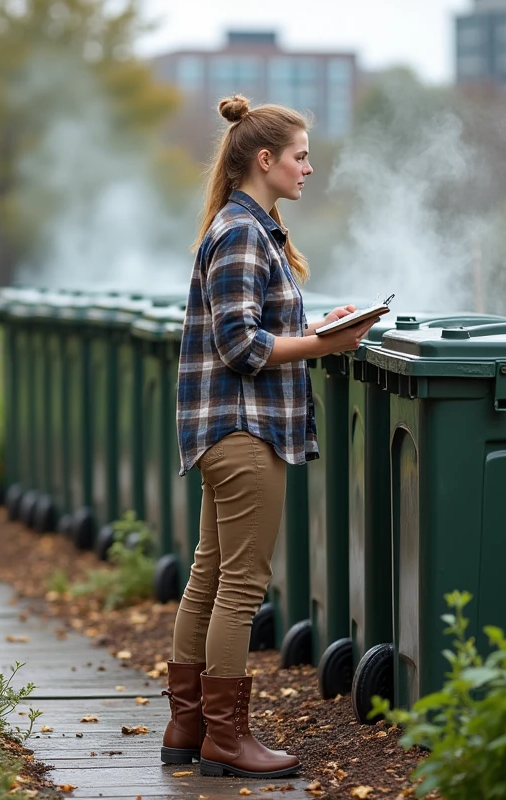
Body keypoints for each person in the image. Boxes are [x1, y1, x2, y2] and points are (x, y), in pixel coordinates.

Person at [160, 94, 375, 779]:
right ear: (264, 159)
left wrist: (324, 329)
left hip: (228, 426)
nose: (310, 168)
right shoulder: (243, 233)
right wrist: (324, 343)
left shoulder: (248, 229)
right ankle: (226, 738)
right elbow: (241, 346)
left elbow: (254, 330)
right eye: (301, 156)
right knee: (240, 585)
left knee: (210, 577)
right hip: (243, 428)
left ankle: (187, 725)